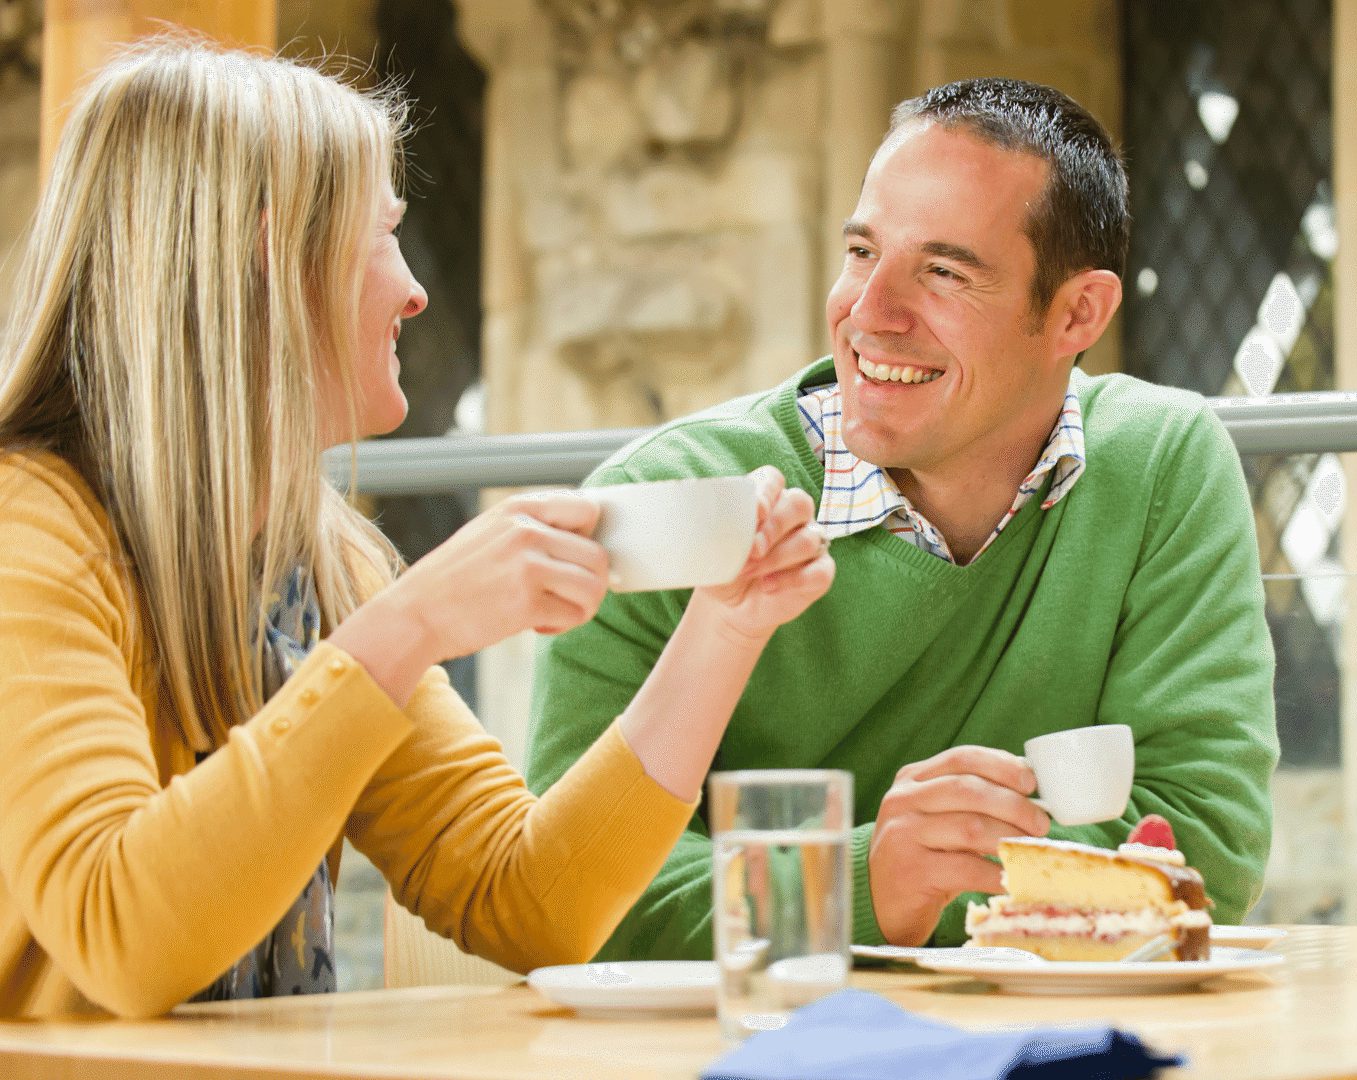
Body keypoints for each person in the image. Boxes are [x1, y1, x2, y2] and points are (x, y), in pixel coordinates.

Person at [0, 41, 833, 1020]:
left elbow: (527, 905)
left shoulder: (319, 561)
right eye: (381, 234)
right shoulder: (31, 534)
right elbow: (123, 938)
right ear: (272, 256)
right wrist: (414, 622)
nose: (413, 288)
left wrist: (724, 630)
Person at [528, 77, 1278, 959]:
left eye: (944, 272)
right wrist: (870, 884)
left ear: (1078, 312)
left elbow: (1203, 851)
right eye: (860, 253)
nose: (868, 314)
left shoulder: (1161, 463)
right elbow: (576, 901)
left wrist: (915, 887)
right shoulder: (666, 503)